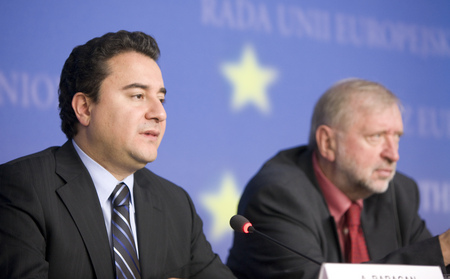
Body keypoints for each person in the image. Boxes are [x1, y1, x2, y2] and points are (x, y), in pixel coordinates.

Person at [0, 30, 236, 279]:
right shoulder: (22, 188)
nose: (159, 113)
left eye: (161, 99)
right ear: (84, 108)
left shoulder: (176, 205)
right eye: (138, 96)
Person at [227, 78, 450, 278]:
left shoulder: (399, 191)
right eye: (376, 136)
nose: (393, 155)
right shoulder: (276, 195)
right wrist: (441, 250)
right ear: (328, 143)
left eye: (397, 137)